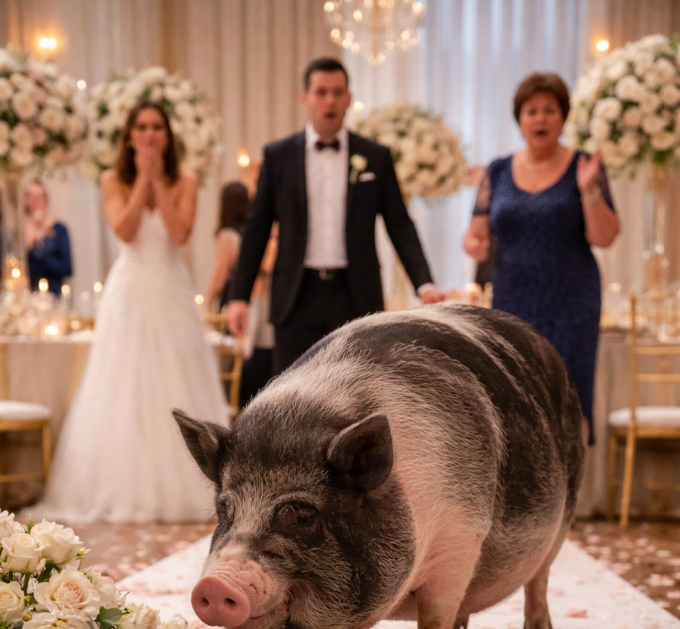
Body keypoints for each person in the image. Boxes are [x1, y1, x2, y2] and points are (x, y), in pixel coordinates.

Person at [31, 99, 230, 523]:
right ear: (130, 135)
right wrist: (142, 178)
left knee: (177, 382)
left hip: (171, 290)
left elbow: (178, 234)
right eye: (141, 126)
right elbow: (125, 228)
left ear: (167, 134)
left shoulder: (187, 180)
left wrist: (159, 181)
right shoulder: (111, 180)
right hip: (131, 290)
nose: (150, 133)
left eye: (157, 126)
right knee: (124, 385)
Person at [227, 55, 443, 375]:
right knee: (291, 398)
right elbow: (257, 228)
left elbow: (400, 225)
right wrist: (239, 296)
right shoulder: (278, 156)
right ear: (306, 99)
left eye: (337, 92)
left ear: (348, 99)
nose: (330, 101)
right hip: (296, 297)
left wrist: (424, 283)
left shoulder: (375, 157)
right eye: (321, 92)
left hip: (354, 295)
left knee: (359, 392)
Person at [463, 71, 620, 441]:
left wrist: (588, 192)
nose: (540, 118)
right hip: (512, 300)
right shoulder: (497, 171)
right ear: (519, 120)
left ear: (563, 117)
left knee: (570, 401)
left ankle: (571, 497)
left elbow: (605, 236)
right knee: (516, 401)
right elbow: (475, 234)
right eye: (531, 111)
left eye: (549, 110)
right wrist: (474, 244)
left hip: (571, 301)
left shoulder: (584, 166)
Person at [205, 180, 249, 309]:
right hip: (248, 293)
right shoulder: (248, 233)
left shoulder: (227, 235)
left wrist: (209, 299)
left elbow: (221, 272)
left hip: (231, 296)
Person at [23, 181, 73, 295]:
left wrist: (38, 249)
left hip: (54, 293)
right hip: (28, 293)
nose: (37, 201)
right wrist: (28, 244)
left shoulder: (59, 229)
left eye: (41, 196)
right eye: (32, 197)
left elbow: (67, 269)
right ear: (26, 200)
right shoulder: (19, 231)